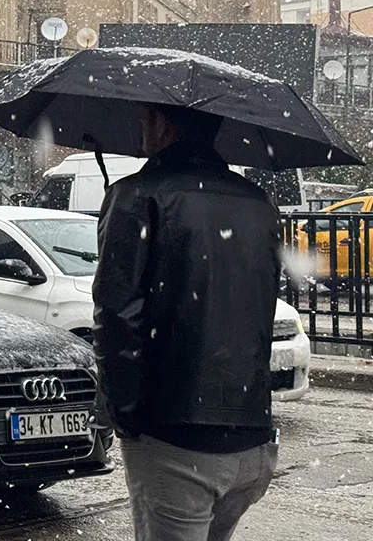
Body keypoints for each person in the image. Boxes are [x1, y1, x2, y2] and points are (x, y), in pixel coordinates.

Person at [93, 104, 281, 541]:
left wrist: (123, 410)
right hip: (251, 433)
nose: (141, 127)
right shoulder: (257, 202)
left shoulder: (138, 195)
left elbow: (117, 312)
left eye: (144, 118)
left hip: (175, 434)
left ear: (160, 123)